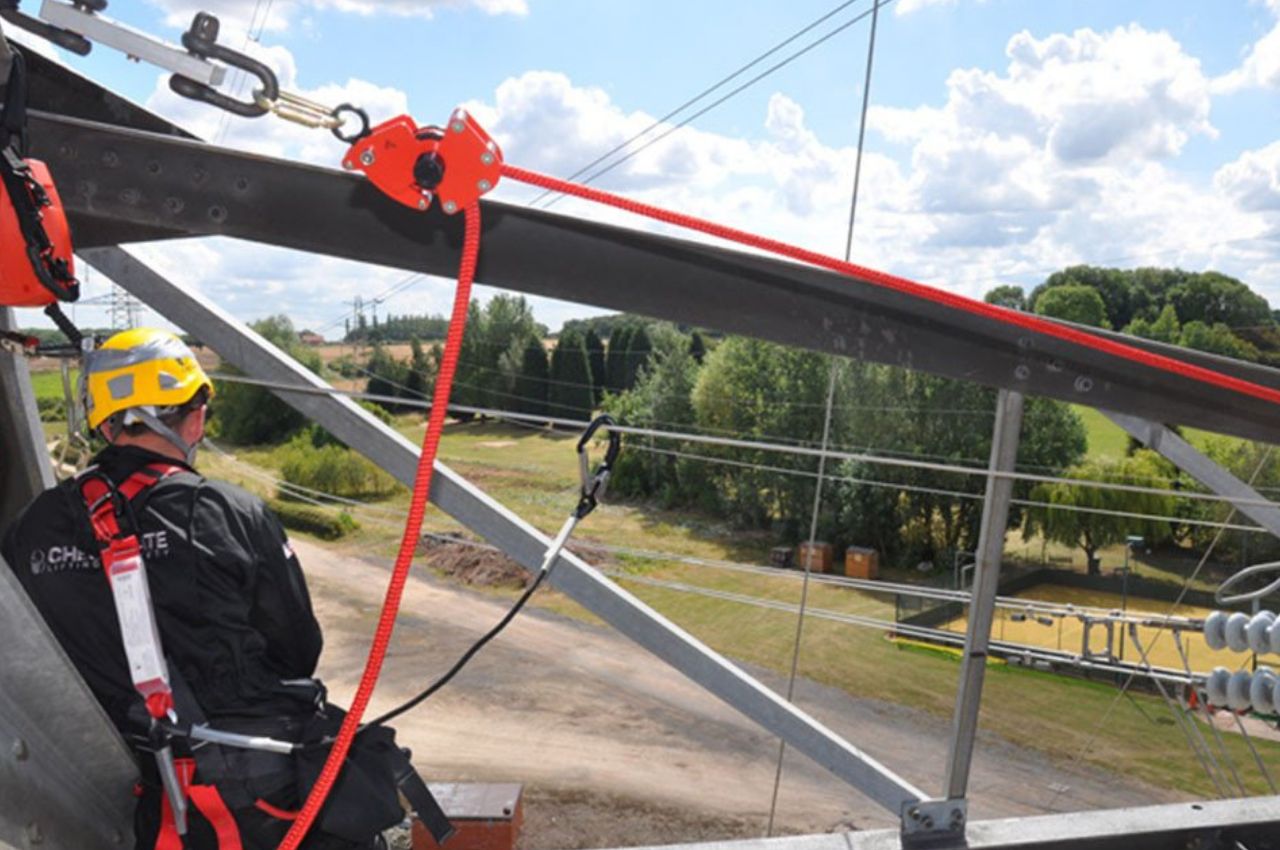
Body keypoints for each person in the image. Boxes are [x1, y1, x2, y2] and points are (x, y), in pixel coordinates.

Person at [1, 328, 435, 850]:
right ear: (194, 416)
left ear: (106, 419)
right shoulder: (227, 513)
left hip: (111, 787)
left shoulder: (33, 527)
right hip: (253, 793)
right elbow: (297, 650)